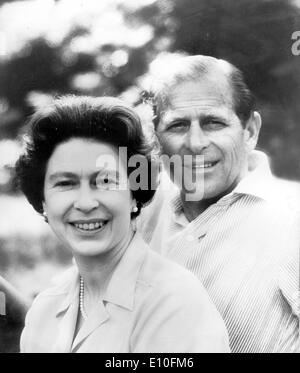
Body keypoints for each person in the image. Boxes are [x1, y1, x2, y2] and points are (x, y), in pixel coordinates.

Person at [15, 95, 229, 353]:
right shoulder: (46, 308)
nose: (85, 203)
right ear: (43, 201)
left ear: (134, 195)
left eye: (105, 181)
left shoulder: (172, 301)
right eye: (65, 183)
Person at [138, 54, 300, 353]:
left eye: (213, 123)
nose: (196, 142)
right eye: (177, 125)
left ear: (250, 131)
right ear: (157, 136)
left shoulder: (293, 218)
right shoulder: (143, 211)